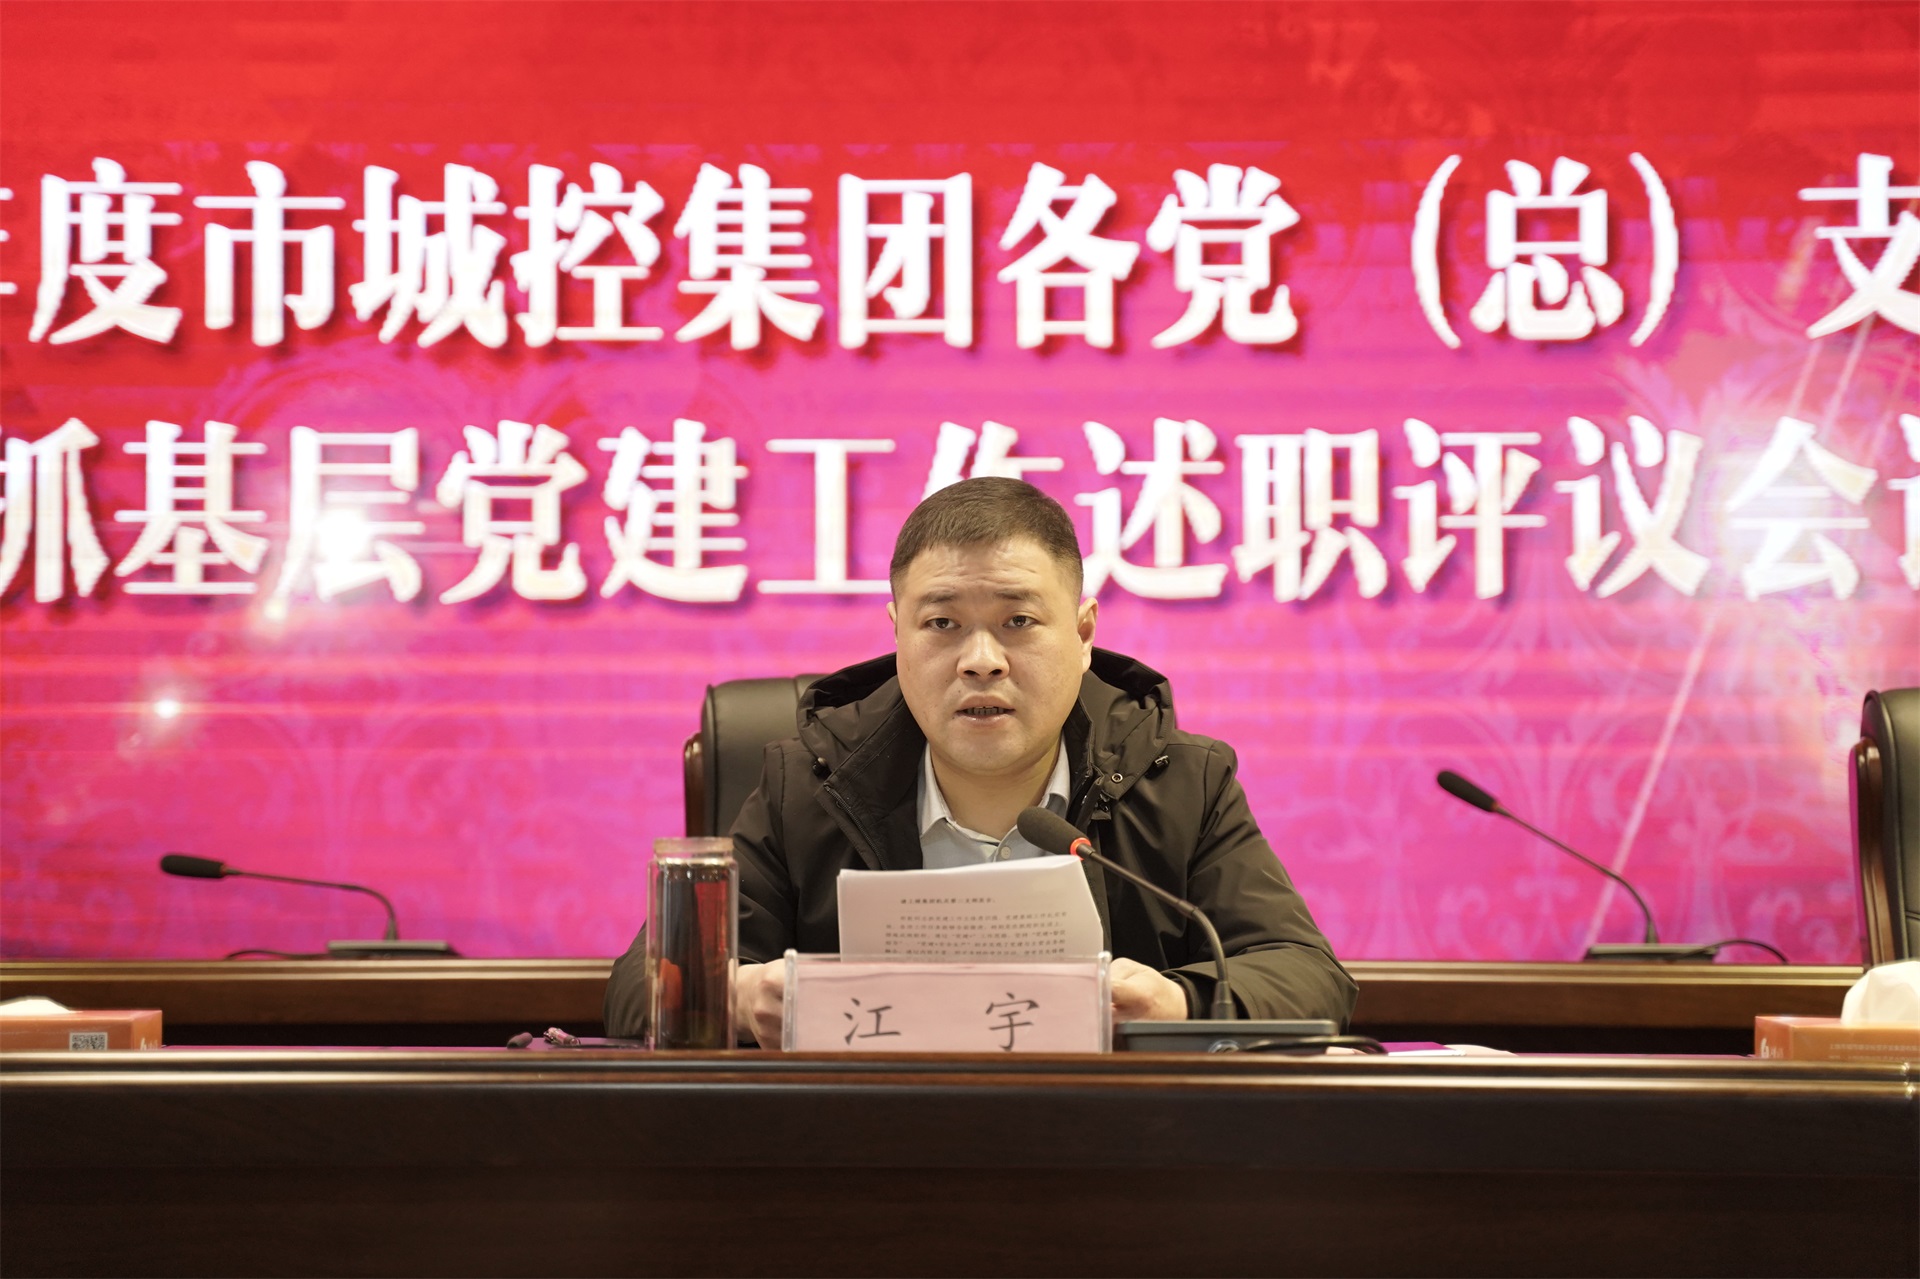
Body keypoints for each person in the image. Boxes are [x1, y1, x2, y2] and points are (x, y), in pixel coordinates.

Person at [605, 477, 1355, 1044]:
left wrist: (1180, 1001)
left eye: (1018, 620)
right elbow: (639, 989)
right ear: (897, 634)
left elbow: (1307, 974)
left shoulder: (1180, 780)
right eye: (942, 624)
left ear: (1083, 633)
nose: (982, 660)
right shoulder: (806, 783)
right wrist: (737, 997)